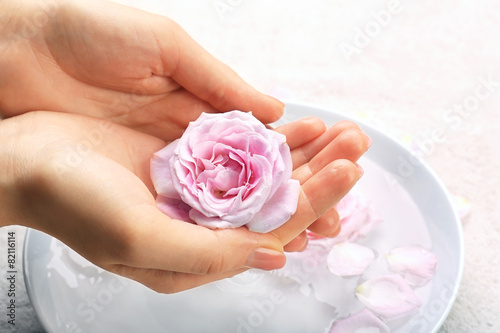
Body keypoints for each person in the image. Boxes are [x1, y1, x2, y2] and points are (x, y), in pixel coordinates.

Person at [0, 0, 371, 293]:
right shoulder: (175, 178)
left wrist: (15, 33)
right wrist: (13, 171)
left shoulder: (270, 179)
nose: (216, 171)